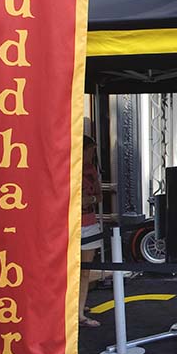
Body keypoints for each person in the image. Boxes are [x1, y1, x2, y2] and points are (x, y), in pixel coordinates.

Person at [79, 136, 102, 327]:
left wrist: (90, 200)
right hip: (71, 225)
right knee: (69, 270)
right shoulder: (66, 169)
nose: (92, 154)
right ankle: (73, 307)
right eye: (90, 150)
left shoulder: (91, 170)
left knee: (85, 270)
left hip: (89, 222)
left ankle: (79, 310)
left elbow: (99, 195)